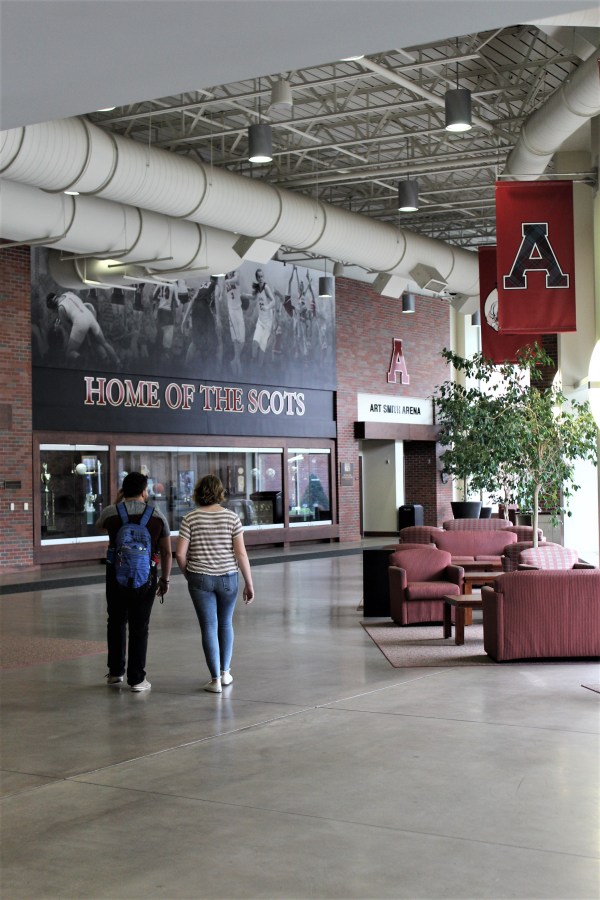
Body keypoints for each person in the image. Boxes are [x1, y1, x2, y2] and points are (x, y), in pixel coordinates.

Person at [175, 474, 254, 693]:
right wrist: (249, 583)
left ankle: (215, 680)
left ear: (198, 493)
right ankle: (225, 673)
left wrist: (190, 575)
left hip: (199, 577)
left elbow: (180, 554)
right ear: (220, 492)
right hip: (228, 578)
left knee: (209, 627)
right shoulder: (232, 518)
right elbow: (241, 554)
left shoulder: (190, 518)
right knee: (226, 623)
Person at [96, 471, 172, 692]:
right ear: (144, 491)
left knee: (116, 621)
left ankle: (115, 672)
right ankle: (137, 679)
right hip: (146, 577)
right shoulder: (156, 515)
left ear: (123, 490)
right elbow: (167, 552)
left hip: (115, 575)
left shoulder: (111, 512)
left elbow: (100, 527)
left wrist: (118, 502)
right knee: (140, 625)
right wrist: (165, 580)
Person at [46, 291, 121, 367]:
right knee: (104, 343)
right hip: (90, 315)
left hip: (80, 322)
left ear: (53, 306)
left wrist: (72, 339)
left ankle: (84, 361)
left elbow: (68, 328)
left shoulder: (61, 308)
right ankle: (118, 362)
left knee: (69, 352)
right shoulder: (68, 293)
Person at [250, 268, 276, 367]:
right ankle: (253, 362)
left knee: (262, 347)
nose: (261, 278)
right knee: (254, 343)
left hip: (268, 322)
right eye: (259, 277)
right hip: (260, 321)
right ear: (257, 278)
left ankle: (259, 368)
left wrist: (267, 307)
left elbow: (273, 301)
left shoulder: (266, 288)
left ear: (263, 277)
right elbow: (253, 297)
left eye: (262, 276)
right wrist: (244, 295)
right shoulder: (257, 289)